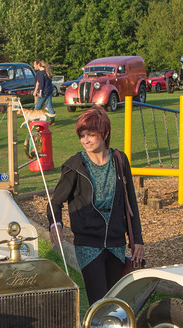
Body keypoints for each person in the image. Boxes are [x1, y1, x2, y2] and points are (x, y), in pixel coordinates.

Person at [48, 106, 144, 307]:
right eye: (82, 135)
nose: (86, 140)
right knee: (99, 303)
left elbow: (131, 203)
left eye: (91, 134)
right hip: (88, 245)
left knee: (116, 303)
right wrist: (55, 224)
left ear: (105, 133)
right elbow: (55, 202)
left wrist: (137, 240)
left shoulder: (120, 160)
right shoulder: (75, 165)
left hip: (116, 245)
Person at [33, 59, 55, 124]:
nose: (34, 66)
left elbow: (41, 83)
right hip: (49, 91)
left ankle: (34, 121)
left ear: (38, 64)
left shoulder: (40, 72)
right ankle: (52, 119)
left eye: (34, 65)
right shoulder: (46, 72)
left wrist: (39, 91)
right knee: (49, 106)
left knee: (37, 107)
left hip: (43, 92)